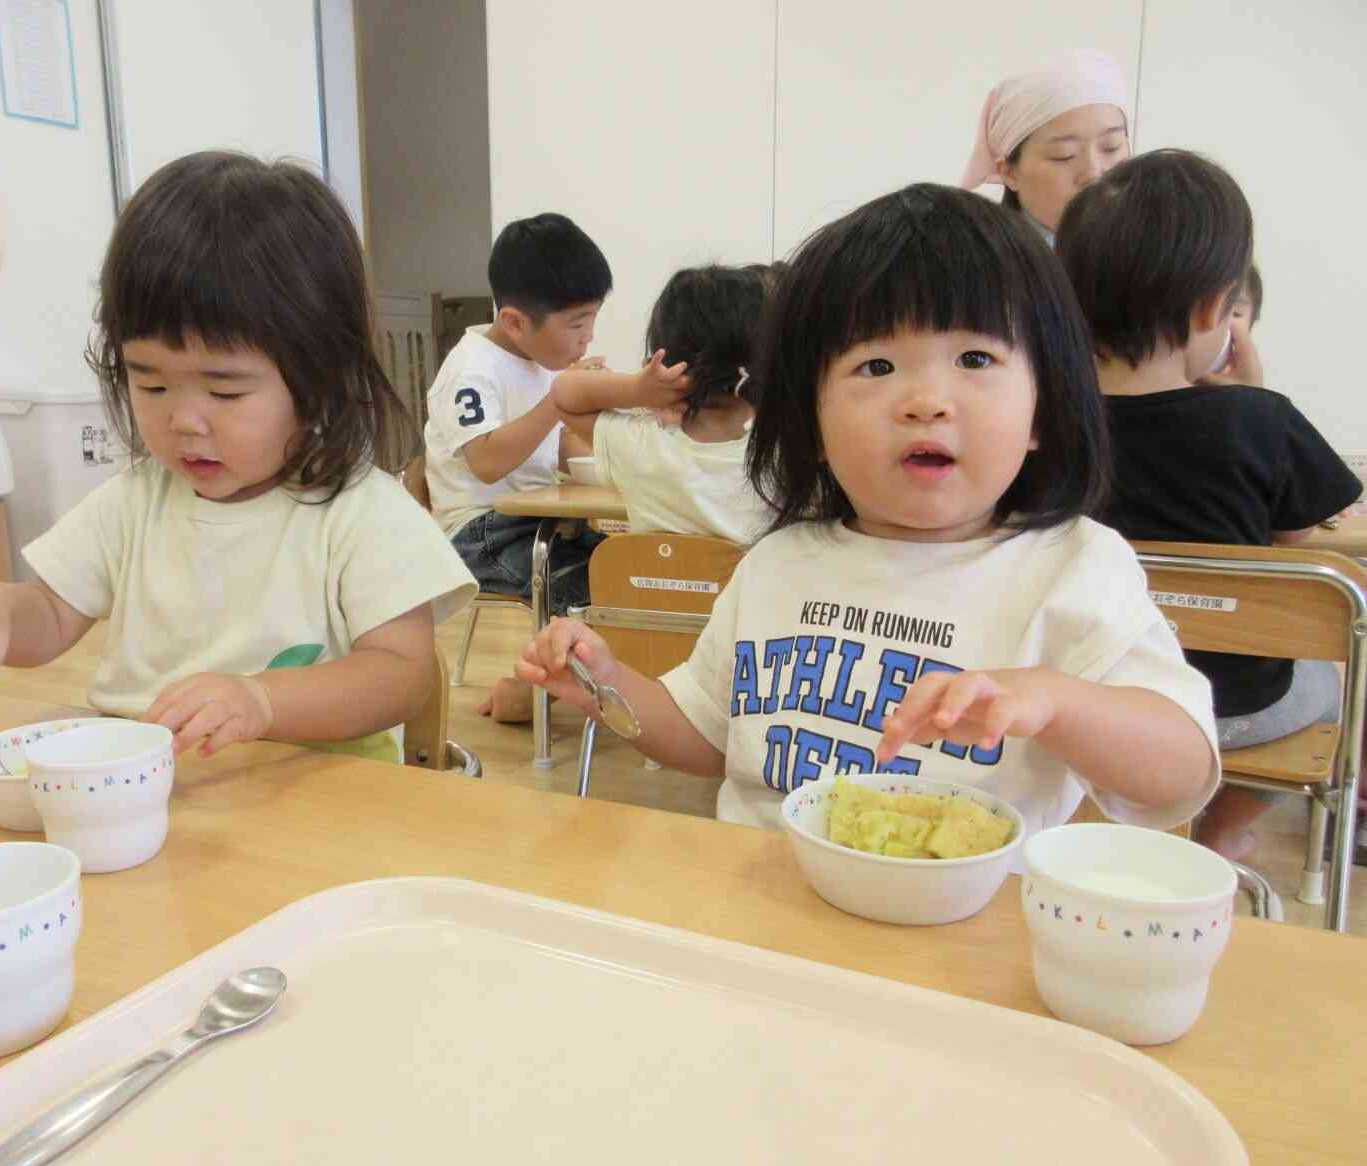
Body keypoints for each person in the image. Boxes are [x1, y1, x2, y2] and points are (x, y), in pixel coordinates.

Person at [517, 184, 1219, 839]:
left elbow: (1182, 774)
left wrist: (1058, 702)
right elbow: (706, 737)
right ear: (811, 423)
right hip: (760, 898)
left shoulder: (1073, 567)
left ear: (1044, 407)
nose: (927, 401)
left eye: (975, 359)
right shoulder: (778, 563)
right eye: (876, 367)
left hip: (960, 916)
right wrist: (609, 683)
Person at [0, 152, 476, 762]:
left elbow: (401, 674)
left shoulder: (362, 513)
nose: (182, 420)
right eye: (150, 384)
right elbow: (49, 613)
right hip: (146, 787)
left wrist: (262, 700)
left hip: (313, 793)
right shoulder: (134, 503)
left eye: (225, 392)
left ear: (318, 380)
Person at [1058, 150, 1362, 862]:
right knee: (1330, 683)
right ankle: (1221, 831)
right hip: (1237, 710)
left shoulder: (1044, 424)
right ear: (1212, 309)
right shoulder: (1262, 420)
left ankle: (1102, 821)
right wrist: (1252, 394)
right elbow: (1300, 541)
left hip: (1094, 705)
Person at [424, 212, 684, 721]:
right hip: (480, 535)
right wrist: (560, 399)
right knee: (586, 589)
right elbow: (486, 461)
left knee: (628, 569)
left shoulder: (540, 365)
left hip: (538, 524)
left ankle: (560, 685)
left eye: (592, 321)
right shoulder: (472, 370)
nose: (586, 339)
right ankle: (531, 690)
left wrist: (625, 451)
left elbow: (560, 447)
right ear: (515, 322)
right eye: (576, 324)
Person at [555, 263, 776, 549]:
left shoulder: (641, 444)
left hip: (652, 580)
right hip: (755, 581)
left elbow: (563, 394)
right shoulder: (783, 451)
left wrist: (638, 390)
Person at [960, 49, 1131, 243]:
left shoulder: (1149, 246)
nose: (1093, 174)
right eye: (1064, 155)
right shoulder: (976, 255)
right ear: (1009, 172)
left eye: (1111, 147)